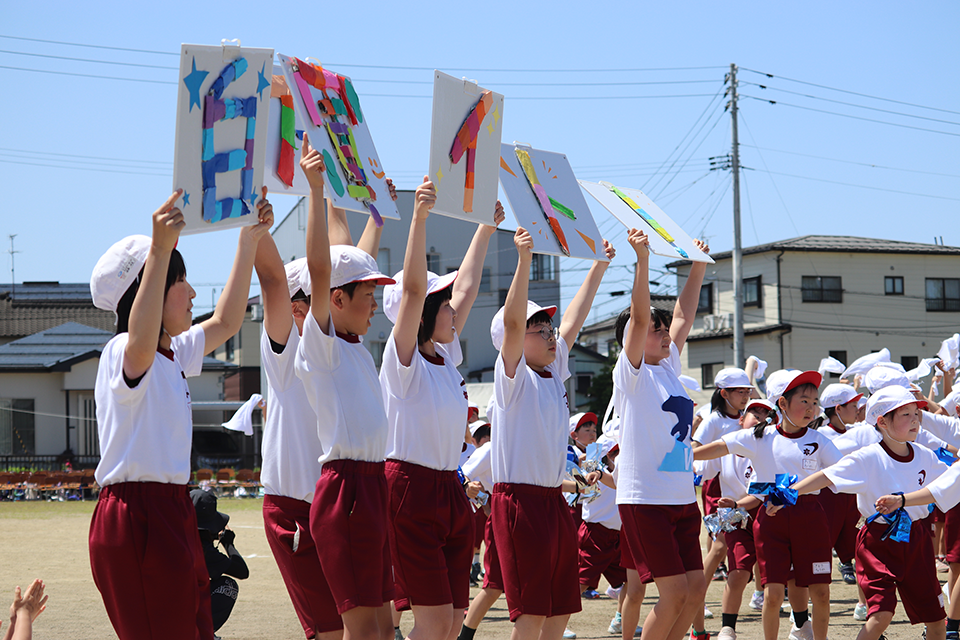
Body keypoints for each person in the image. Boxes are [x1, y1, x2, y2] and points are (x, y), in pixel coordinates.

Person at [88, 188, 272, 640]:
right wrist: (158, 249)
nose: (192, 292)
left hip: (172, 509)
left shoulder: (172, 352)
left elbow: (227, 322)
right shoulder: (124, 353)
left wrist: (248, 240)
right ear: (143, 291)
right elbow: (139, 340)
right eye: (178, 281)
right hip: (136, 514)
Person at [256, 171, 391, 640]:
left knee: (372, 624)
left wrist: (357, 202)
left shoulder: (343, 342)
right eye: (301, 300)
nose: (304, 307)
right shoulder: (292, 345)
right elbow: (296, 277)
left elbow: (345, 259)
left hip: (342, 497)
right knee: (335, 632)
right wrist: (257, 222)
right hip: (297, 499)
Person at [379, 176, 503, 640]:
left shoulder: (444, 354)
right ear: (425, 312)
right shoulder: (403, 356)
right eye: (444, 304)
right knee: (431, 623)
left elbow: (467, 288)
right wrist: (419, 218)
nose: (456, 310)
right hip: (408, 486)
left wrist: (485, 230)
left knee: (452, 622)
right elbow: (412, 292)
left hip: (447, 485)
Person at [294, 134, 398, 640]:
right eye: (368, 295)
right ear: (337, 299)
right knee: (364, 631)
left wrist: (370, 213)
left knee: (383, 624)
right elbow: (322, 267)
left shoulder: (353, 341)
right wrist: (314, 191)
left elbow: (346, 255)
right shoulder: (324, 344)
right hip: (347, 489)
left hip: (372, 485)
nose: (375, 303)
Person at [488, 224, 614, 640]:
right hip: (519, 502)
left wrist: (598, 266)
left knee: (560, 611)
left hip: (554, 500)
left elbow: (574, 322)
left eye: (549, 331)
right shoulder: (514, 377)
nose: (550, 337)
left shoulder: (553, 374)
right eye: (539, 331)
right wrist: (524, 260)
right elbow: (511, 324)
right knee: (532, 615)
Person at [791, 386, 948, 640]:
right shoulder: (867, 457)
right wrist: (789, 493)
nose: (915, 420)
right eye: (905, 414)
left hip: (917, 542)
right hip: (878, 542)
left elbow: (950, 482)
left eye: (916, 414)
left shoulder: (925, 456)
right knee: (881, 615)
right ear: (882, 422)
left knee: (937, 620)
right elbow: (824, 476)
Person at [694, 370, 842, 640]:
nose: (811, 408)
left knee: (820, 592)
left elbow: (838, 472)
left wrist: (790, 493)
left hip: (810, 519)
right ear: (782, 404)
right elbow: (718, 447)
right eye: (804, 401)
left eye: (815, 402)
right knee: (772, 595)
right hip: (771, 522)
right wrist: (680, 457)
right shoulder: (761, 436)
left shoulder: (819, 441)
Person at [614, 229, 709, 640]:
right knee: (672, 593)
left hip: (681, 498)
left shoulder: (668, 367)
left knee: (694, 592)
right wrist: (642, 260)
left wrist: (698, 266)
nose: (664, 332)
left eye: (663, 327)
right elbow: (638, 318)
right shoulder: (631, 373)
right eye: (656, 329)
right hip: (645, 499)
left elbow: (684, 315)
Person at [695, 399, 776, 640]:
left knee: (780, 573)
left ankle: (799, 619)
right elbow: (701, 471)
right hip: (735, 516)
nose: (760, 418)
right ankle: (727, 627)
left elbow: (762, 493)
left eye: (766, 414)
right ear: (741, 419)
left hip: (768, 513)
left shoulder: (772, 448)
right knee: (738, 571)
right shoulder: (726, 446)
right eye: (755, 412)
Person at [690, 367, 754, 635]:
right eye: (740, 391)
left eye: (747, 391)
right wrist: (718, 457)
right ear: (724, 393)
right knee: (718, 549)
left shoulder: (745, 417)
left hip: (746, 491)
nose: (746, 396)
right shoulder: (713, 420)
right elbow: (693, 450)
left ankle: (696, 604)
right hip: (718, 489)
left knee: (721, 550)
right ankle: (695, 603)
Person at [192, 489, 249, 633]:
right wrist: (228, 543)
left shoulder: (174, 536)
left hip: (156, 604)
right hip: (181, 609)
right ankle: (200, 633)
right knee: (228, 586)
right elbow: (242, 571)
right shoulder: (204, 550)